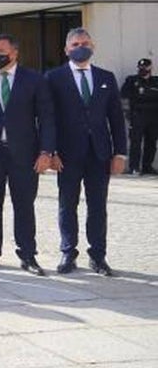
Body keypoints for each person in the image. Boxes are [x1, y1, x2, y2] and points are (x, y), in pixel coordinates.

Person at [0, 35, 56, 276]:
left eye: (1, 50)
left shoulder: (34, 79)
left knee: (24, 206)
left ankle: (28, 255)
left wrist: (46, 151)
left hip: (25, 155)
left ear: (14, 53)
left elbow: (47, 117)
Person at [45, 28, 127, 276]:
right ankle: (68, 253)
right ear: (67, 49)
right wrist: (51, 151)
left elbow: (116, 118)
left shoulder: (106, 77)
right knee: (67, 205)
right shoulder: (53, 77)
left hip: (99, 154)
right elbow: (49, 119)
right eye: (76, 44)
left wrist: (120, 154)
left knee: (98, 206)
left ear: (93, 46)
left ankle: (98, 256)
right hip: (66, 155)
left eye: (85, 43)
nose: (81, 47)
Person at [121, 58, 158, 175]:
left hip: (154, 117)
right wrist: (128, 113)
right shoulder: (132, 80)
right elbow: (124, 96)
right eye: (140, 67)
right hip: (138, 116)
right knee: (136, 143)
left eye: (145, 67)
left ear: (150, 68)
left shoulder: (156, 81)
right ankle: (134, 167)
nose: (143, 69)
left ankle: (147, 167)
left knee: (151, 143)